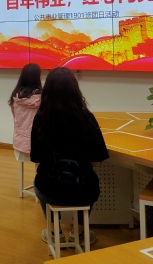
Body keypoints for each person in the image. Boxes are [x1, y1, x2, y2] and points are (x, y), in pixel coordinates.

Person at [31, 67, 108, 245]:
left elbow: (36, 157)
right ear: (74, 89)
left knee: (41, 181)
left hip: (49, 188)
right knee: (89, 183)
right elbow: (97, 157)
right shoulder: (86, 117)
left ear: (47, 90)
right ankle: (78, 233)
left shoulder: (40, 118)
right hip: (82, 189)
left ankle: (54, 232)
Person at [9, 63, 42, 161]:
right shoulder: (43, 98)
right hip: (38, 143)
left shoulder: (15, 97)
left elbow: (15, 116)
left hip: (20, 143)